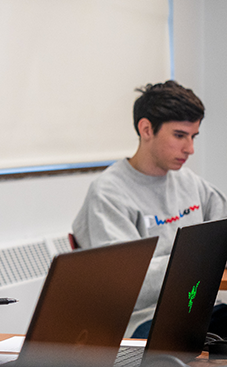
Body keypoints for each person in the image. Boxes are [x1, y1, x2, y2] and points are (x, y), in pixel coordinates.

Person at [72, 80, 227, 337]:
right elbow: (127, 286)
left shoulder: (190, 182)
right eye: (179, 135)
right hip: (145, 322)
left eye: (193, 136)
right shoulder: (108, 193)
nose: (189, 148)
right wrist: (197, 262)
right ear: (146, 129)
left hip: (200, 310)